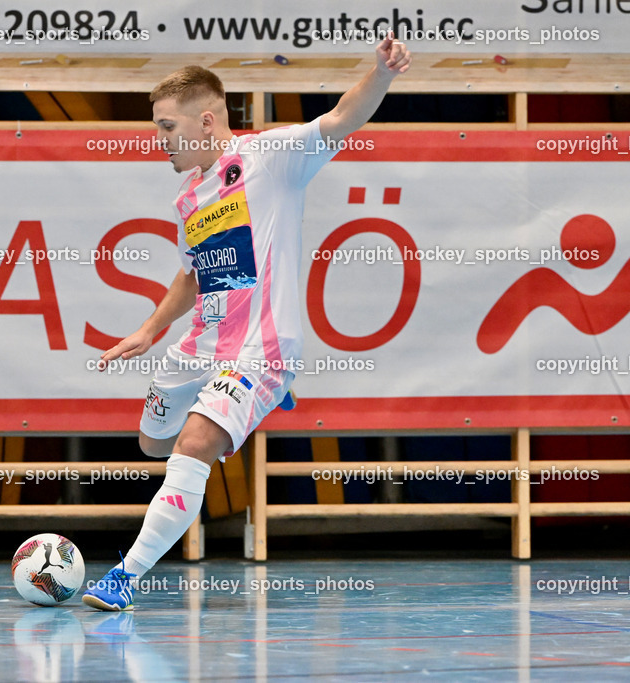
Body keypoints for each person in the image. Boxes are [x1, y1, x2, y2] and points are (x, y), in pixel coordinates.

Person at [82, 35, 411, 611]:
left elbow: (339, 119)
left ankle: (124, 577)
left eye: (166, 128)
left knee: (193, 444)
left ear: (207, 121)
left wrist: (380, 73)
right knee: (152, 443)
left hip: (260, 348)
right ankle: (253, 400)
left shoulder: (272, 158)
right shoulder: (188, 196)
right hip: (199, 342)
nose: (158, 141)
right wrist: (149, 330)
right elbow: (191, 276)